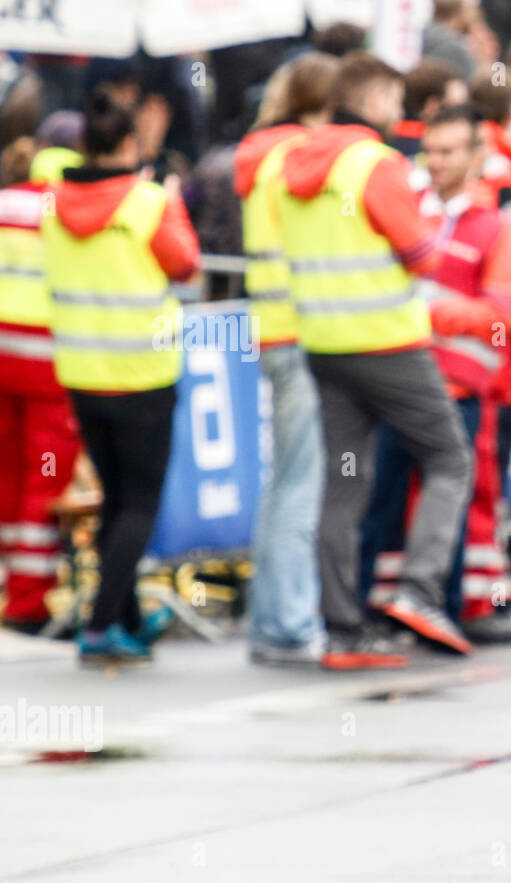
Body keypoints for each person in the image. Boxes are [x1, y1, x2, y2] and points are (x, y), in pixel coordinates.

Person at [276, 52, 473, 669]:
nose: (400, 110)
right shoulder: (373, 163)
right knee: (448, 458)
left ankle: (342, 629)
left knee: (343, 482)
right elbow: (420, 253)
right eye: (394, 98)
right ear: (375, 96)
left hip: (323, 343)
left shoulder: (293, 162)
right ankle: (418, 590)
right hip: (387, 341)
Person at [358, 104, 511, 644]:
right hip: (397, 379)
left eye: (448, 151)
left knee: (456, 495)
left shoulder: (493, 228)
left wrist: (431, 309)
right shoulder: (409, 213)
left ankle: (450, 610)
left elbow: (501, 314)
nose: (435, 161)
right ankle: (372, 610)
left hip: (457, 387)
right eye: (430, 151)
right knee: (381, 498)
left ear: (477, 156)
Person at [43, 86, 199, 666]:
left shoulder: (54, 203)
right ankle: (103, 623)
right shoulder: (148, 203)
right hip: (142, 371)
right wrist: (167, 196)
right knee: (139, 503)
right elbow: (186, 262)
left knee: (115, 498)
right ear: (129, 142)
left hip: (83, 371)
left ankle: (126, 618)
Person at [234, 52, 339, 665]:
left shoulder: (261, 153)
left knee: (286, 482)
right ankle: (289, 624)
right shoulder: (299, 158)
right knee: (304, 482)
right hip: (304, 332)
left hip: (274, 330)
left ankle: (276, 617)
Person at [0, 137, 81, 636]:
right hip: (50, 362)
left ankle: (12, 583)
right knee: (44, 480)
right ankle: (29, 600)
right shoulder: (72, 212)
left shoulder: (5, 202)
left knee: (7, 472)